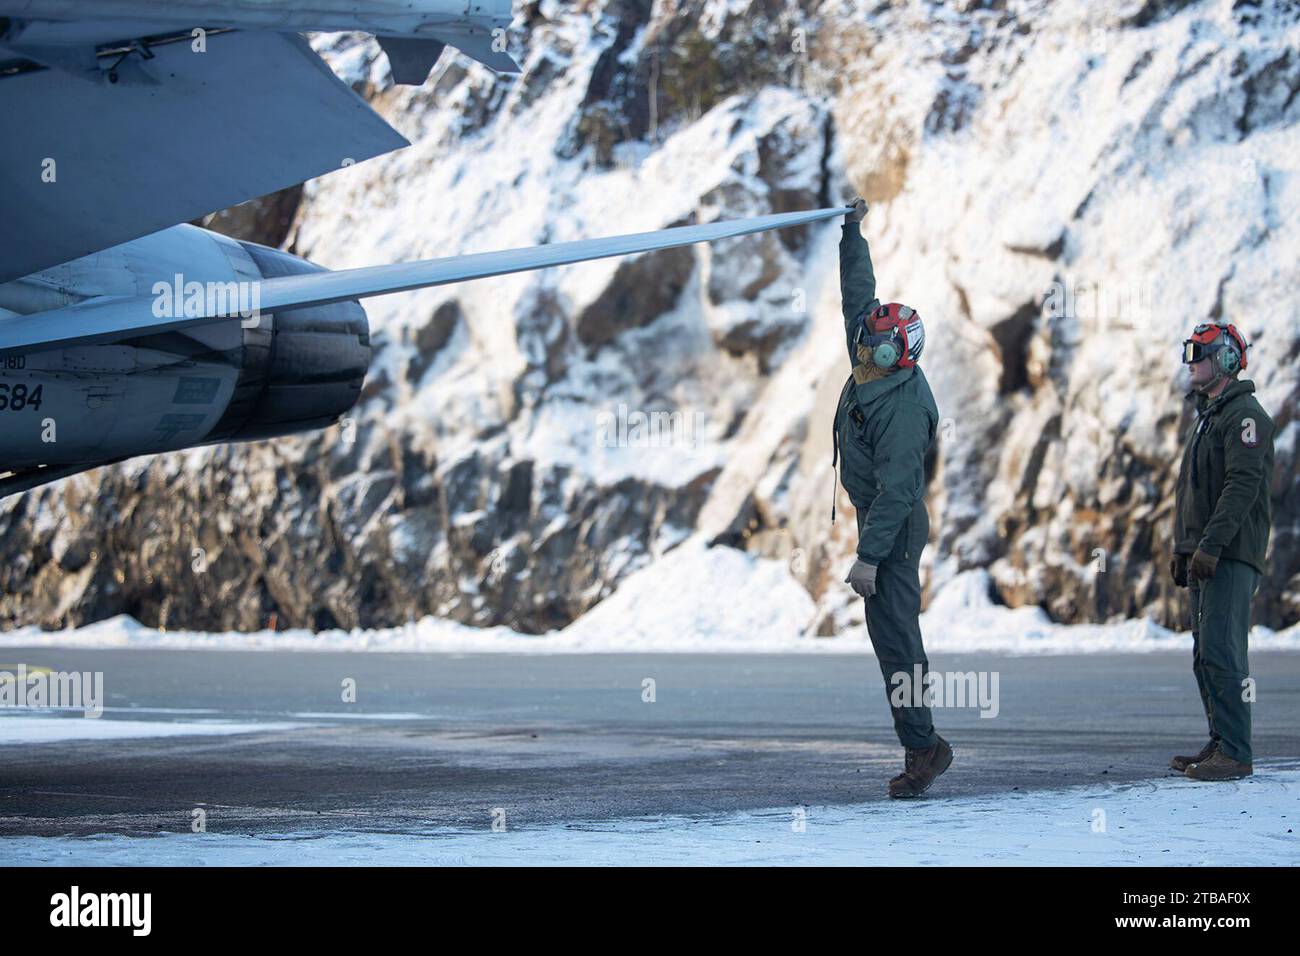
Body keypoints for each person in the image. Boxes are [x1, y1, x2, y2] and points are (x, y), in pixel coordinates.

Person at [834, 197, 950, 798]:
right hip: (878, 519)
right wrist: (852, 232)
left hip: (894, 529)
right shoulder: (874, 361)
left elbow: (901, 491)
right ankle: (921, 741)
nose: (862, 349)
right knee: (890, 638)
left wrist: (871, 557)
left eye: (874, 345)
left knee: (899, 638)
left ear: (895, 353)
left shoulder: (904, 405)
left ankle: (925, 748)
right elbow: (860, 294)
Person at [1170, 322, 1274, 781]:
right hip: (1206, 553)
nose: (1192, 362)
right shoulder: (1211, 416)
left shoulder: (1245, 417)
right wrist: (1184, 546)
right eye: (1190, 352)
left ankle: (1236, 751)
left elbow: (1241, 487)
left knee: (1224, 650)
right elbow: (1191, 491)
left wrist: (1210, 546)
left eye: (1202, 353)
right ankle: (1220, 742)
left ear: (1228, 360)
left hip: (1229, 555)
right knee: (1204, 653)